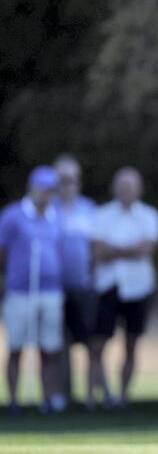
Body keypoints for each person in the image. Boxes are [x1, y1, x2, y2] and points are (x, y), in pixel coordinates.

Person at [90, 167, 158, 408]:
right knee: (98, 344)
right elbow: (98, 252)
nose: (126, 191)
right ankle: (100, 394)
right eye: (121, 186)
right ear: (114, 188)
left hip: (138, 288)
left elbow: (146, 250)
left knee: (131, 344)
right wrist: (130, 250)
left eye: (130, 186)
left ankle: (123, 396)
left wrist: (114, 250)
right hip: (108, 287)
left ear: (139, 189)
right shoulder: (101, 215)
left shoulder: (149, 215)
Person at [0, 166, 66, 414]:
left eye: (51, 191)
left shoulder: (56, 216)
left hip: (51, 291)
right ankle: (14, 401)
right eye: (44, 189)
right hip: (20, 291)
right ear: (32, 188)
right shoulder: (13, 216)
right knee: (16, 348)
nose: (47, 195)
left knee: (49, 349)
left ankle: (48, 400)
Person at [51, 154, 98, 408]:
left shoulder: (90, 209)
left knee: (91, 343)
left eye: (73, 179)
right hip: (55, 289)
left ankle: (92, 397)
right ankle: (59, 396)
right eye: (64, 179)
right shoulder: (47, 210)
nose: (69, 184)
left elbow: (97, 249)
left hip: (84, 287)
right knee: (56, 345)